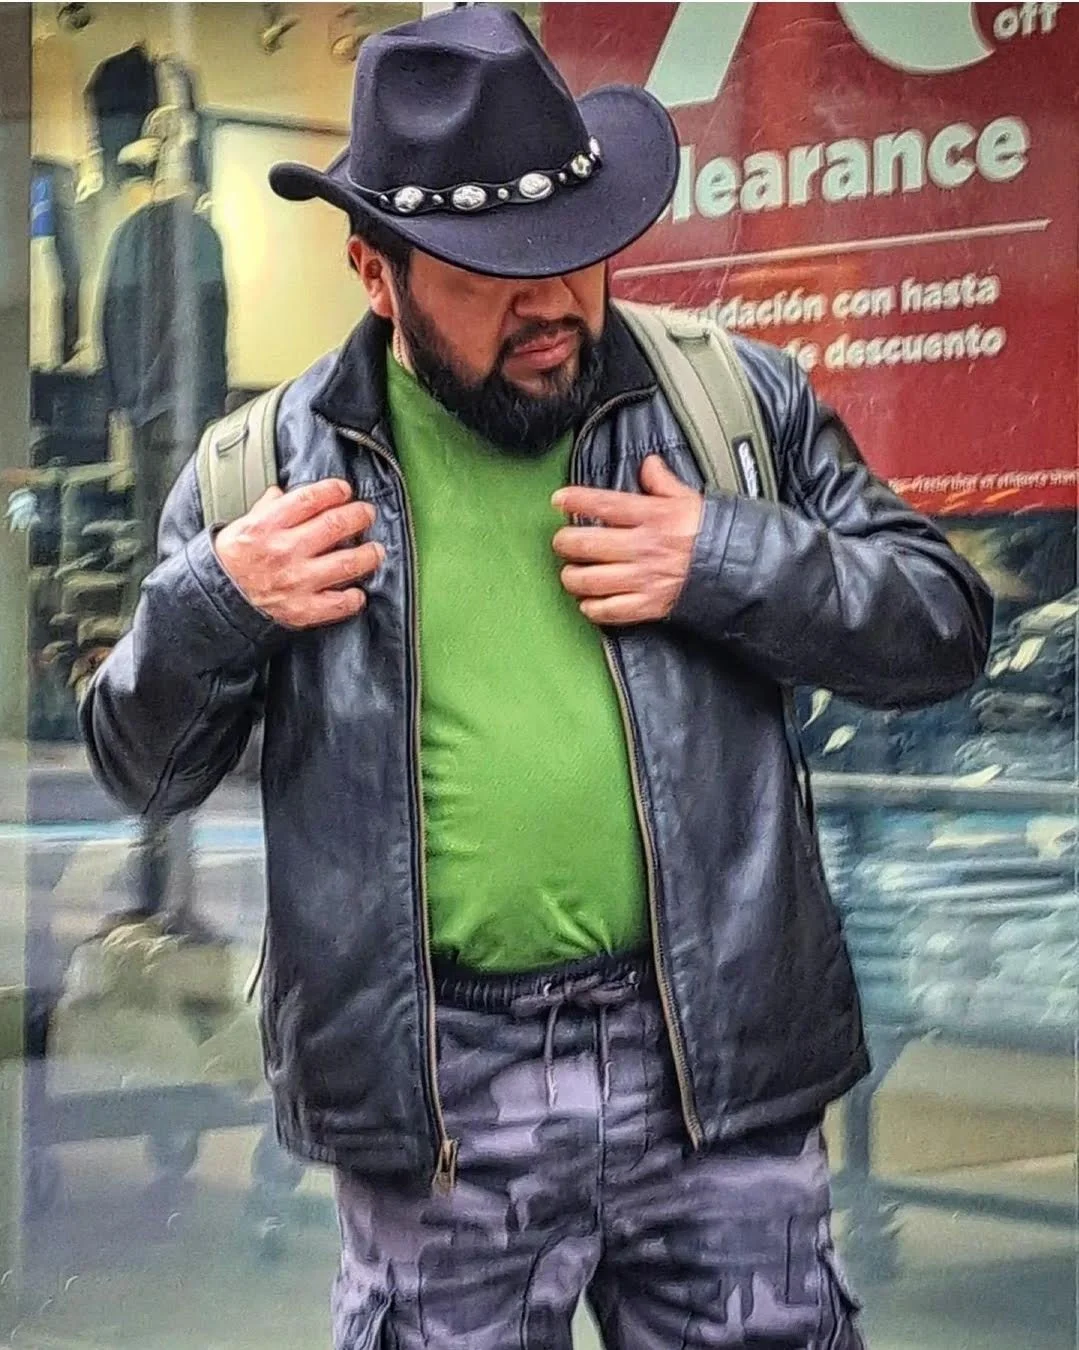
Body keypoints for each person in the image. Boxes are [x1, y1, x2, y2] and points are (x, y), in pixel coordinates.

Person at [79, 8, 992, 1348]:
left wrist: (725, 558)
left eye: (576, 253)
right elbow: (141, 769)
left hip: (714, 1064)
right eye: (494, 273)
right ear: (375, 272)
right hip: (441, 1087)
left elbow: (941, 626)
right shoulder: (261, 476)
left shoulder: (724, 404)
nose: (556, 302)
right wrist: (217, 601)